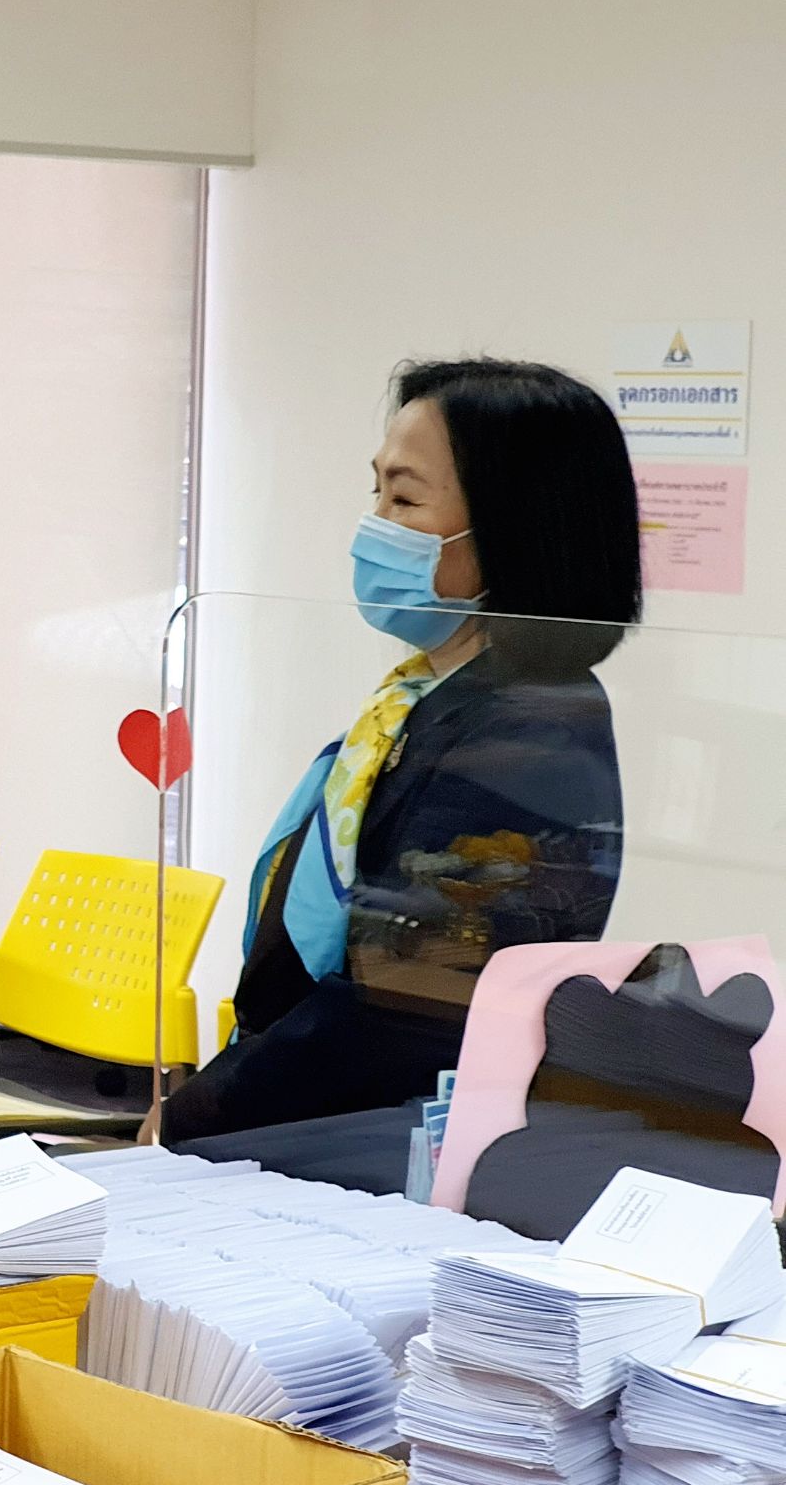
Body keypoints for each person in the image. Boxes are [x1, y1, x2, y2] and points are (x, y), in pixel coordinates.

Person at [159, 358, 638, 1144]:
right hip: (316, 1120)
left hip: (375, 1140)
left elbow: (397, 1002)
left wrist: (195, 1112)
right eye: (375, 490)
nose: (374, 523)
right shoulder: (422, 693)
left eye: (405, 499)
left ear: (512, 529)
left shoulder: (530, 728)